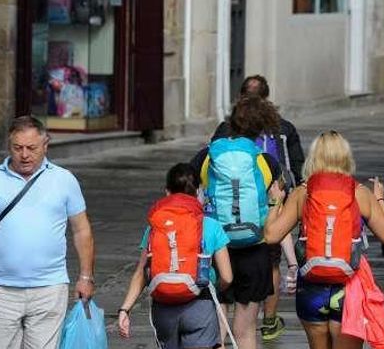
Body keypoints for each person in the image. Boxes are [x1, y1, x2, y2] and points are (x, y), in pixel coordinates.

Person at [0, 116, 95, 349]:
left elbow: (81, 229)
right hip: (0, 288)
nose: (24, 155)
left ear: (46, 145)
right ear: (9, 146)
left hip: (49, 287)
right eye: (18, 148)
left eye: (32, 148)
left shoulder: (64, 180)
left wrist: (85, 276)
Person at [264, 130, 384, 349]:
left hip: (310, 287)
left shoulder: (302, 193)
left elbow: (271, 236)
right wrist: (379, 198)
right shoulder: (359, 192)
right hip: (348, 288)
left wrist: (275, 203)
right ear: (346, 157)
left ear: (313, 157)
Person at [210, 74, 304, 341]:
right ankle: (270, 319)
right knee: (246, 328)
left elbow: (193, 184)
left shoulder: (215, 146)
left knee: (218, 318)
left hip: (220, 243)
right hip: (257, 240)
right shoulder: (271, 153)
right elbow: (290, 177)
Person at [192, 95, 282, 349]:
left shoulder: (207, 158)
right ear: (261, 128)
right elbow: (275, 203)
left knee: (215, 334)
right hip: (255, 251)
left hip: (217, 251)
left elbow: (189, 197)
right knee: (245, 332)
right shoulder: (267, 162)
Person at [117, 163, 234, 348]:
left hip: (163, 309)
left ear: (167, 192)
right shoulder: (210, 225)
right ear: (198, 192)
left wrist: (125, 309)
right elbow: (227, 277)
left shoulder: (155, 226)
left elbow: (140, 273)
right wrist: (212, 290)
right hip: (200, 305)